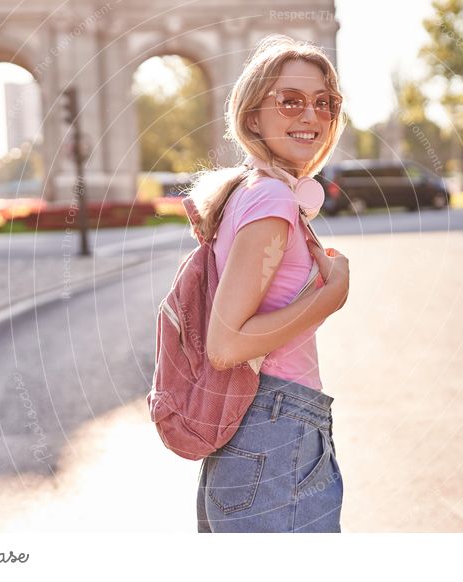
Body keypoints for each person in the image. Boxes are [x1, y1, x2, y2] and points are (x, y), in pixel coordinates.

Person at [190, 34, 349, 533]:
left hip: (255, 434)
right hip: (276, 428)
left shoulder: (251, 191)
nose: (312, 116)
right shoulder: (272, 201)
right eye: (291, 101)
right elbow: (226, 344)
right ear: (253, 115)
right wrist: (330, 297)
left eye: (325, 103)